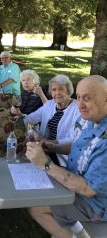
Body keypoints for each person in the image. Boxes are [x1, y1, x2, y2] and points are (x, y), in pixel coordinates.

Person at [26, 75, 107, 238]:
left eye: (87, 98)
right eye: (78, 97)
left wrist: (45, 164)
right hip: (75, 179)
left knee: (36, 207)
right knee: (36, 185)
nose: (80, 104)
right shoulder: (92, 119)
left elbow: (88, 189)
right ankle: (75, 230)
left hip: (96, 204)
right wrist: (51, 146)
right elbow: (77, 144)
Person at [11, 74, 80, 166]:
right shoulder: (49, 104)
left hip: (61, 156)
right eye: (54, 90)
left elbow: (73, 139)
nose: (57, 93)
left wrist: (47, 143)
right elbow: (30, 118)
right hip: (43, 150)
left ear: (69, 91)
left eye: (61, 89)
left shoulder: (77, 109)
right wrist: (18, 115)